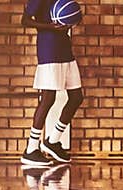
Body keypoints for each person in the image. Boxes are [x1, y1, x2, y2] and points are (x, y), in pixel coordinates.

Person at [20, 0, 85, 167]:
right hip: (48, 48)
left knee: (76, 97)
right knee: (49, 98)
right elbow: (25, 20)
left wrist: (75, 19)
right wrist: (50, 26)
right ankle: (31, 149)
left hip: (65, 49)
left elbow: (72, 13)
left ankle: (53, 140)